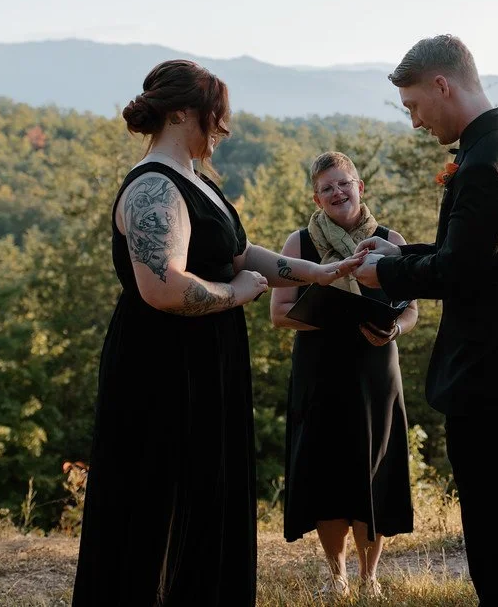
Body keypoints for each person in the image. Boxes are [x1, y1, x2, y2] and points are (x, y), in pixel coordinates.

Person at [71, 60, 360, 607]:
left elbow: (237, 255)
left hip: (204, 364)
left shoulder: (195, 182)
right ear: (182, 112)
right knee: (159, 504)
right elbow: (163, 288)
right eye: (215, 115)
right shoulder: (153, 187)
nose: (221, 128)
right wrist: (240, 294)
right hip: (161, 371)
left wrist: (318, 273)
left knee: (206, 498)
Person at [353, 35, 498, 607]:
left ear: (442, 85)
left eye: (415, 107)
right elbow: (480, 254)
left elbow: (460, 273)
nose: (416, 122)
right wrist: (400, 255)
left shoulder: (481, 164)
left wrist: (387, 277)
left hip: (494, 370)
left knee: (495, 529)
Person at [270, 152, 419, 599]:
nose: (338, 192)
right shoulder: (299, 243)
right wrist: (333, 318)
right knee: (326, 473)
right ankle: (336, 576)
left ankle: (369, 577)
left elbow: (411, 310)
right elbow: (279, 315)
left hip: (376, 370)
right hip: (320, 371)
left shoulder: (391, 240)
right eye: (327, 188)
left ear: (360, 187)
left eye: (344, 184)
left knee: (372, 471)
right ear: (316, 198)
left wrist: (395, 326)